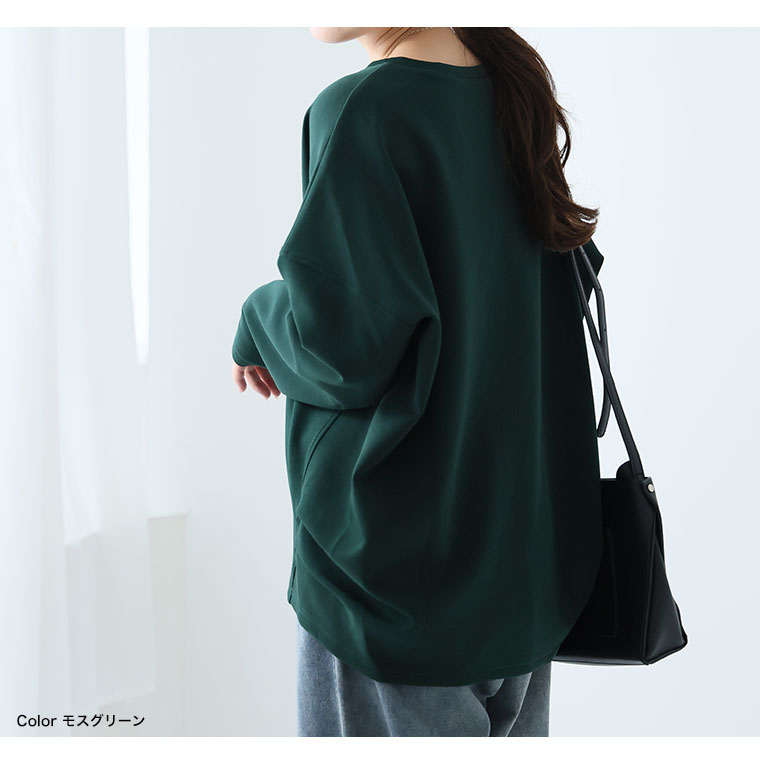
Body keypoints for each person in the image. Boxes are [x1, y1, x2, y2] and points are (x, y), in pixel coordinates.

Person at [230, 27, 605, 737]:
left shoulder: (364, 110)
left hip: (393, 592)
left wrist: (256, 318)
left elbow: (342, 346)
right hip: (517, 577)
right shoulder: (513, 93)